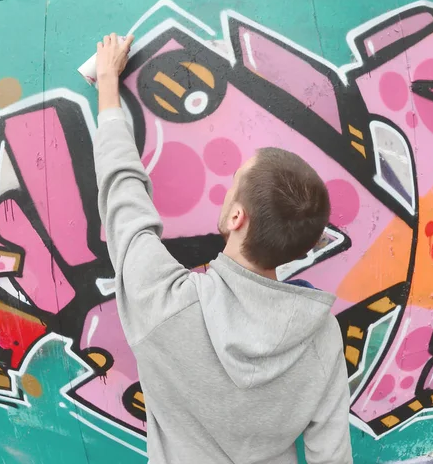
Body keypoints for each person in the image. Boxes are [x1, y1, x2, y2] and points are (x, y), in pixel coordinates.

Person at [93, 33, 353, 464]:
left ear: (237, 218)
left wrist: (106, 84)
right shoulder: (321, 337)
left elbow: (123, 198)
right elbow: (332, 457)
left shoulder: (162, 304)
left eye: (234, 185)